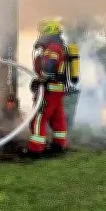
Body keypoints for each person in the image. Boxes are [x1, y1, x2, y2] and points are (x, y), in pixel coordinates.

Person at [26, 18, 79, 157]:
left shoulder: (53, 48)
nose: (41, 35)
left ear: (49, 31)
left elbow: (49, 67)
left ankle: (35, 149)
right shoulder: (59, 46)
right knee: (57, 118)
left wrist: (40, 80)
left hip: (49, 89)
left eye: (42, 32)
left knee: (38, 118)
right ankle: (59, 144)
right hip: (57, 90)